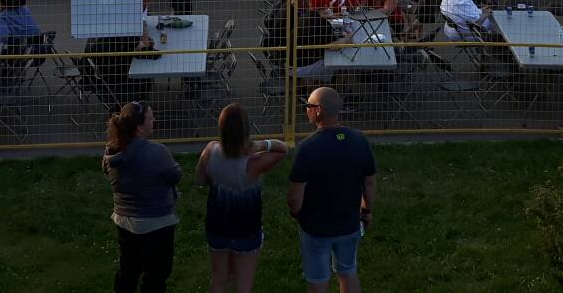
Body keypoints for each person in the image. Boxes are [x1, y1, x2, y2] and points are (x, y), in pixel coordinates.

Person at [288, 86, 376, 293]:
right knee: (348, 271)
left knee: (318, 278)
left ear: (318, 110)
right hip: (349, 223)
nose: (306, 109)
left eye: (308, 105)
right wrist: (366, 210)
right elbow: (370, 183)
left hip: (316, 228)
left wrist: (297, 213)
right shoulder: (359, 141)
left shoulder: (308, 148)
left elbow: (294, 197)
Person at [197, 103, 290, 293]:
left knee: (218, 280)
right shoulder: (254, 163)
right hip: (246, 229)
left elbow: (200, 179)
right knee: (243, 286)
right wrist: (263, 144)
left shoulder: (210, 150)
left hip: (217, 226)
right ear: (246, 129)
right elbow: (283, 149)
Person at [103, 101, 182, 293]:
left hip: (124, 221)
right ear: (139, 127)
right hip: (157, 223)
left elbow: (106, 170)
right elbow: (176, 175)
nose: (154, 120)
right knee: (156, 275)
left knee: (128, 269)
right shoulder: (158, 152)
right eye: (150, 118)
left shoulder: (112, 150)